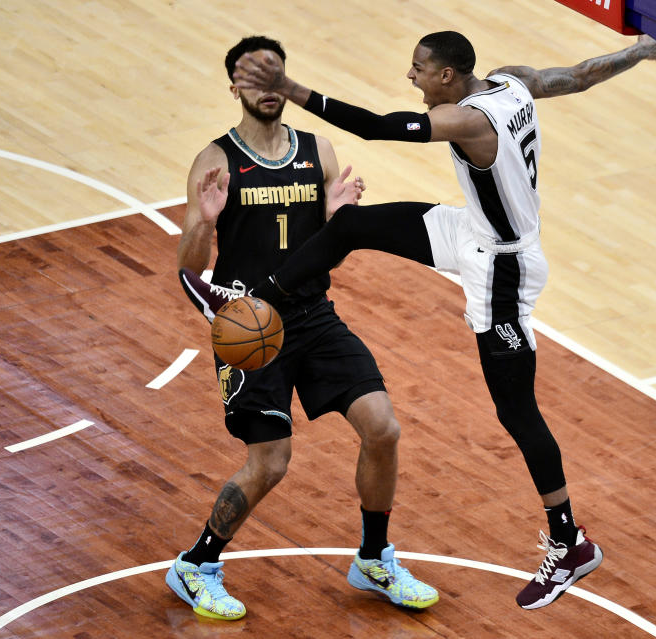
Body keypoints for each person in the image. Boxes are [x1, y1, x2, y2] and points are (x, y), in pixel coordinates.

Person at [197, 30, 656, 610]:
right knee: (351, 226)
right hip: (473, 231)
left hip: (501, 267)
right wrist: (638, 51)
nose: (411, 77)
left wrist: (292, 89)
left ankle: (569, 541)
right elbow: (575, 76)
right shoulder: (512, 81)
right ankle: (259, 298)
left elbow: (375, 126)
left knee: (515, 410)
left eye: (419, 69)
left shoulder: (470, 121)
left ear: (448, 77)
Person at [167, 35, 438, 621]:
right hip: (252, 328)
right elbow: (188, 271)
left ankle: (372, 558)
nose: (266, 91)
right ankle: (196, 564)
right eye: (253, 80)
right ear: (235, 87)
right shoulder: (216, 159)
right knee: (271, 462)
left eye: (275, 79)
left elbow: (326, 254)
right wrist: (205, 223)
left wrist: (338, 221)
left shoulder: (318, 151)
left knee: (383, 428)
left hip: (314, 317)